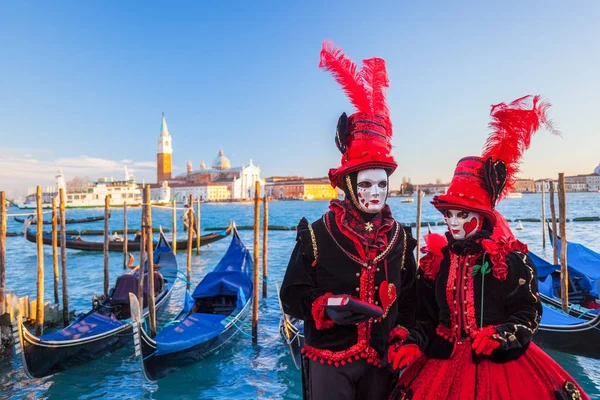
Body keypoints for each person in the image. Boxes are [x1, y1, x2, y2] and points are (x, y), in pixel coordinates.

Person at [389, 95, 589, 400]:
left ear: (481, 217)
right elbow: (426, 316)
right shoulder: (438, 261)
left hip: (502, 370)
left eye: (462, 215)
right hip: (442, 362)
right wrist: (414, 340)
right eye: (449, 215)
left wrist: (500, 336)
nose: (453, 223)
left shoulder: (509, 259)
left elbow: (527, 312)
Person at [280, 41, 417, 400]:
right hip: (330, 361)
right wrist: (323, 307)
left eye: (383, 184)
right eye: (366, 184)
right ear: (348, 186)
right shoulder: (316, 235)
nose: (376, 193)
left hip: (381, 362)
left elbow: (415, 299)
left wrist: (408, 336)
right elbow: (291, 295)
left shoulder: (400, 238)